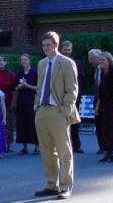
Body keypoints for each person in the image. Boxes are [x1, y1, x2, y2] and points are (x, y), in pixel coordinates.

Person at [34, 31, 79, 200]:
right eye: (44, 45)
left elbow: (72, 89)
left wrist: (66, 110)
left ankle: (66, 187)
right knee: (46, 151)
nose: (46, 48)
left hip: (58, 110)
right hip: (42, 110)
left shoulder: (66, 63)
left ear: (56, 45)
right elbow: (39, 87)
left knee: (64, 151)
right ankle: (52, 185)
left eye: (49, 45)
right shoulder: (41, 63)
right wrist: (36, 106)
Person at [60, 40, 86, 154]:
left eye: (69, 49)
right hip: (60, 97)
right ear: (61, 49)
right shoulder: (58, 62)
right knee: (61, 123)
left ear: (71, 50)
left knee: (74, 122)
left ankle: (76, 145)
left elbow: (82, 79)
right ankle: (63, 146)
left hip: (74, 97)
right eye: (65, 49)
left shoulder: (77, 63)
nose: (67, 51)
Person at [14, 53, 39, 155]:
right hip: (21, 101)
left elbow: (38, 88)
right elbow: (15, 88)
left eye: (25, 60)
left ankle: (37, 147)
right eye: (22, 60)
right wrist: (19, 87)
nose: (23, 62)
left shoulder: (34, 73)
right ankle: (24, 147)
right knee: (22, 124)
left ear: (29, 61)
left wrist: (26, 85)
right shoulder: (19, 73)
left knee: (33, 123)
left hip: (32, 101)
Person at [0, 55, 16, 152]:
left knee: (7, 123)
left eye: (1, 60)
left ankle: (8, 144)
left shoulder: (10, 74)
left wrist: (14, 102)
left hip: (7, 102)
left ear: (5, 62)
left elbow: (15, 89)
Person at [88, 49, 105, 154]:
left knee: (103, 123)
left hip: (102, 98)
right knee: (98, 123)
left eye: (92, 58)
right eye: (89, 59)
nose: (90, 61)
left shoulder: (102, 69)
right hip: (97, 97)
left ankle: (106, 146)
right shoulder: (96, 69)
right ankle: (102, 146)